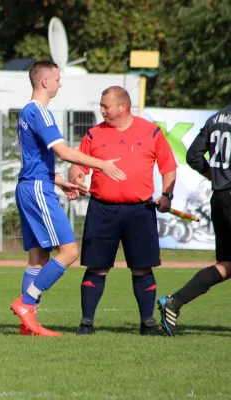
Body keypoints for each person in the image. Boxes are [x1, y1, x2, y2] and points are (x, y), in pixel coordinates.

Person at [9, 61, 126, 337]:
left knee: (38, 258)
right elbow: (62, 151)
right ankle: (26, 304)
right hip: (37, 189)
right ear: (46, 82)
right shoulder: (40, 112)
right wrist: (101, 165)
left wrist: (59, 181)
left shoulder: (27, 111)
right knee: (70, 251)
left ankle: (27, 324)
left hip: (31, 185)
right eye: (58, 79)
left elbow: (34, 159)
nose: (61, 83)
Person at [68, 86, 177, 336]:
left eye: (106, 105)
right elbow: (78, 166)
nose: (102, 110)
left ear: (123, 106)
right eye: (102, 105)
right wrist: (77, 179)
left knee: (142, 267)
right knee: (96, 267)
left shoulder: (150, 132)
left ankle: (147, 324)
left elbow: (168, 166)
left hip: (140, 211)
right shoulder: (94, 134)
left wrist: (167, 195)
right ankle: (86, 323)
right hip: (102, 209)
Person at [157, 103, 231, 336]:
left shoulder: (216, 118)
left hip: (219, 197)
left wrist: (215, 176)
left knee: (227, 264)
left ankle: (174, 301)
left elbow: (193, 156)